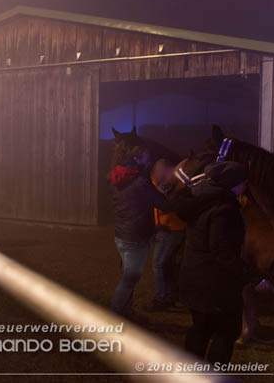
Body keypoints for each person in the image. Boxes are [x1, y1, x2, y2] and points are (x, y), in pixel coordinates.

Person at [172, 161, 263, 364]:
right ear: (232, 183)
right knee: (225, 332)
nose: (245, 186)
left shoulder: (200, 199)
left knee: (200, 330)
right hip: (216, 287)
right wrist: (253, 277)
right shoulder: (224, 209)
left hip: (195, 280)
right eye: (243, 182)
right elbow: (222, 253)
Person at [110, 145, 171, 318]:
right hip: (137, 237)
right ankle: (115, 313)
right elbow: (164, 204)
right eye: (146, 157)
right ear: (137, 160)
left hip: (121, 235)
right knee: (130, 278)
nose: (150, 160)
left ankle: (125, 311)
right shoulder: (142, 182)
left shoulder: (117, 180)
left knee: (128, 275)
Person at [146, 159, 185, 312]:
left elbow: (166, 206)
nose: (159, 172)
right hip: (162, 229)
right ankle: (169, 296)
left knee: (159, 264)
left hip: (170, 229)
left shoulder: (172, 186)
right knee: (166, 264)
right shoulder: (155, 184)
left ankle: (161, 298)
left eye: (162, 169)